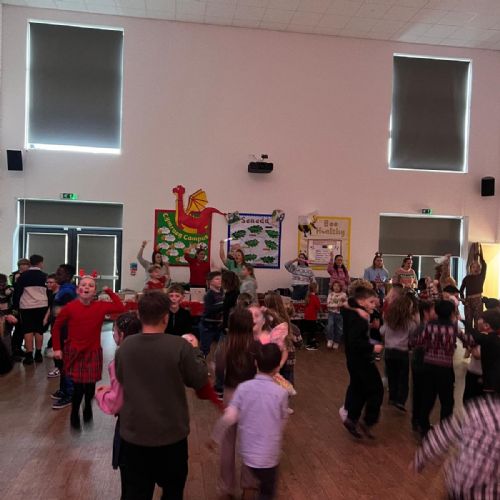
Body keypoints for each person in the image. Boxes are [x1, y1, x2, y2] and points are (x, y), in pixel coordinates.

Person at [115, 291, 208, 500]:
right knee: (173, 491)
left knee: (135, 492)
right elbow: (199, 379)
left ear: (139, 315)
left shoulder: (126, 346)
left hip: (134, 434)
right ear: (166, 317)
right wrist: (196, 351)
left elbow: (121, 377)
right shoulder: (180, 346)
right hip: (171, 435)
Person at [211, 342, 289, 500]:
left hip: (248, 453)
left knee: (253, 475)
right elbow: (282, 421)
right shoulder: (281, 393)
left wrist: (215, 436)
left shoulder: (243, 388)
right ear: (277, 367)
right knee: (266, 491)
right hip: (270, 455)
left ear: (255, 363)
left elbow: (229, 417)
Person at [52, 276, 125, 429]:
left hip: (92, 351)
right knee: (78, 387)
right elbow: (56, 327)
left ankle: (87, 407)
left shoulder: (101, 306)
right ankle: (74, 412)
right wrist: (57, 348)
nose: (86, 287)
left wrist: (109, 291)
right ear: (78, 289)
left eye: (90, 285)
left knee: (90, 386)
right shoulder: (70, 307)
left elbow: (120, 307)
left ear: (94, 291)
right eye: (83, 284)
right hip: (75, 352)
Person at [413, 392, 500, 499]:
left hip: (458, 482)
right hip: (484, 492)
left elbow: (444, 432)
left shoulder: (477, 408)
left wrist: (422, 456)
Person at [96, 312, 142, 497]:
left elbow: (116, 403)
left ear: (121, 334)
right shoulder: (152, 354)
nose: (113, 335)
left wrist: (101, 393)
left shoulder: (119, 361)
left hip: (131, 427)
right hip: (156, 425)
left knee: (130, 484)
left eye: (114, 331)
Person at [214, 307, 258, 497]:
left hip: (231, 393)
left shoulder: (225, 345)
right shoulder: (256, 346)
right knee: (250, 442)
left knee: (227, 442)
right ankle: (248, 487)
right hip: (252, 395)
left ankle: (226, 487)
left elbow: (219, 371)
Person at [415, 300, 473, 435]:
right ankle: (443, 430)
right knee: (447, 401)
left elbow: (418, 341)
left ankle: (423, 426)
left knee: (428, 398)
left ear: (436, 311)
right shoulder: (453, 328)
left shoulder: (429, 326)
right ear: (452, 313)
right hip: (445, 368)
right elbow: (467, 340)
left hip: (428, 366)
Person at [341, 285, 384, 439]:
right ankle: (368, 421)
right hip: (362, 360)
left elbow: (345, 305)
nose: (374, 305)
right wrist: (373, 347)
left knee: (359, 388)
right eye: (371, 302)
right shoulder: (358, 318)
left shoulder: (350, 312)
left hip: (353, 359)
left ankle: (352, 419)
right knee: (377, 389)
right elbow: (355, 342)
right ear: (362, 301)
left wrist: (357, 309)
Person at [380, 291, 419, 412]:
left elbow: (381, 331)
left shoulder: (389, 320)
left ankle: (392, 397)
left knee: (392, 375)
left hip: (389, 351)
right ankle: (401, 400)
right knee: (403, 377)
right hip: (402, 352)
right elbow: (413, 336)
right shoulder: (410, 323)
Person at [49, 264, 78, 409]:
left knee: (66, 363)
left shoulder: (68, 291)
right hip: (61, 331)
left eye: (59, 273)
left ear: (68, 276)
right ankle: (63, 390)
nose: (56, 276)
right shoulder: (63, 289)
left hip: (67, 332)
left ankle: (70, 394)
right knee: (61, 363)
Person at [12, 254, 48, 365]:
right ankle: (38, 354)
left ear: (30, 263)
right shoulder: (45, 276)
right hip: (42, 306)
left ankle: (29, 356)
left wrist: (16, 307)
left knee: (27, 330)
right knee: (39, 330)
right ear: (40, 263)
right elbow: (49, 292)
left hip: (26, 306)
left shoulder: (22, 276)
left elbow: (17, 293)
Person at [460, 247, 487, 329]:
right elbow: (461, 290)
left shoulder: (481, 276)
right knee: (468, 322)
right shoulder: (466, 278)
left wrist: (480, 256)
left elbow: (484, 265)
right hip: (468, 301)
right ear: (470, 268)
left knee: (477, 322)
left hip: (478, 300)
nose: (476, 268)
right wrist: (463, 299)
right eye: (474, 267)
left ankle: (477, 337)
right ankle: (467, 337)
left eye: (477, 267)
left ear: (479, 269)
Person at [200, 271, 224, 357]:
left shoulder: (222, 292)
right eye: (217, 279)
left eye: (221, 279)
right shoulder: (209, 295)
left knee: (222, 347)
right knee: (204, 349)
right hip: (208, 326)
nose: (220, 281)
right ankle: (201, 362)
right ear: (210, 281)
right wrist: (224, 305)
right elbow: (210, 309)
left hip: (219, 325)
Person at [326, 280, 347, 350]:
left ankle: (336, 342)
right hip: (331, 313)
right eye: (335, 285)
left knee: (339, 329)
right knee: (330, 326)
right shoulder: (330, 294)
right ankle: (330, 339)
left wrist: (342, 304)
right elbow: (328, 304)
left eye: (338, 286)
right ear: (332, 287)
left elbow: (346, 303)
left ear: (340, 287)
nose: (336, 287)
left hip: (340, 314)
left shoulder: (343, 294)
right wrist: (338, 305)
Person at [302, 282, 321, 350]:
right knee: (312, 332)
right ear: (315, 289)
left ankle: (308, 343)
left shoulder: (308, 297)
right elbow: (318, 306)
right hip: (312, 317)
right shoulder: (315, 297)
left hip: (307, 317)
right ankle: (312, 345)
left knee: (309, 332)